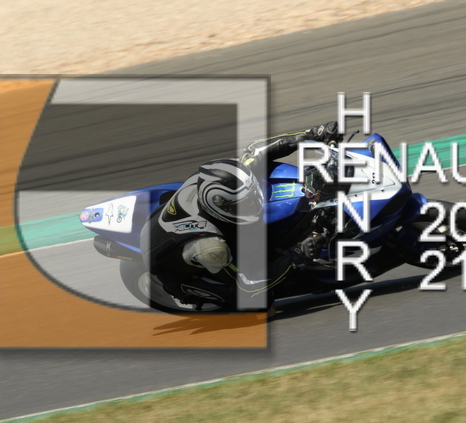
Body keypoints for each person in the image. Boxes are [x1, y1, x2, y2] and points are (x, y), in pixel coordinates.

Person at [140, 121, 341, 310]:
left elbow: (256, 151)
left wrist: (312, 135)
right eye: (246, 203)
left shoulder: (220, 180)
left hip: (176, 222)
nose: (254, 204)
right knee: (259, 302)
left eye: (252, 198)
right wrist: (297, 253)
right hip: (184, 266)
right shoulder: (212, 247)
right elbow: (248, 283)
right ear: (222, 207)